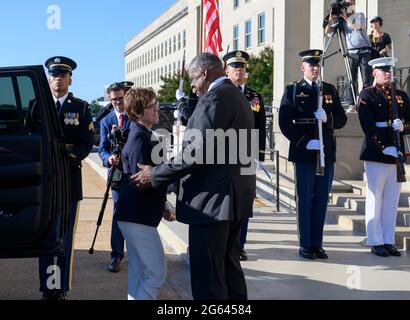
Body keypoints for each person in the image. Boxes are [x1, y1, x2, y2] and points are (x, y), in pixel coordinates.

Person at [131, 53, 256, 300]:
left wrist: (154, 174)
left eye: (193, 79)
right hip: (233, 199)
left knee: (209, 276)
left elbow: (195, 153)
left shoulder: (215, 98)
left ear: (205, 74)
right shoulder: (237, 96)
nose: (192, 87)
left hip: (212, 202)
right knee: (229, 270)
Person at [279, 49, 347, 260]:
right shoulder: (293, 91)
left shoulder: (329, 90)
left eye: (317, 65)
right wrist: (305, 142)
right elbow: (284, 122)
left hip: (326, 153)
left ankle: (317, 243)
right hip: (305, 154)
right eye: (311, 65)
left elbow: (342, 119)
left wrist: (328, 119)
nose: (315, 68)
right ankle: (305, 244)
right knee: (305, 200)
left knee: (320, 200)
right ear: (303, 68)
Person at [39, 56, 94, 300]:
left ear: (70, 79)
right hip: (45, 184)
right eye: (54, 74)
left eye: (63, 74)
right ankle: (46, 288)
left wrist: (64, 156)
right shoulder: (37, 105)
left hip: (69, 181)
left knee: (65, 237)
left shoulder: (81, 108)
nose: (58, 79)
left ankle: (59, 289)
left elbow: (86, 143)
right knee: (45, 236)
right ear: (48, 78)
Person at [114, 88, 175, 300]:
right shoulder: (141, 139)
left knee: (139, 273)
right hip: (138, 217)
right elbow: (142, 180)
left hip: (132, 215)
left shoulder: (141, 134)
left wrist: (164, 204)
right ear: (139, 112)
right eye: (152, 106)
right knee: (157, 274)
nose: (157, 108)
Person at [357, 57, 410, 257]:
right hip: (376, 153)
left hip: (396, 152)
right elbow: (368, 126)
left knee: (391, 200)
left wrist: (403, 126)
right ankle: (375, 240)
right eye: (382, 70)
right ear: (374, 73)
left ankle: (389, 239)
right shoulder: (368, 95)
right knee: (375, 197)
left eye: (389, 70)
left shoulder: (402, 95)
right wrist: (383, 147)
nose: (387, 73)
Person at [223, 50, 267, 261]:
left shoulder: (255, 96)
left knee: (245, 202)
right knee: (227, 201)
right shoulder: (221, 93)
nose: (239, 70)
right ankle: (226, 244)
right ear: (226, 70)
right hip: (226, 155)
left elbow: (260, 127)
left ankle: (239, 245)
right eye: (234, 67)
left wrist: (259, 155)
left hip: (247, 156)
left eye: (242, 67)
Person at [98, 82, 131, 273]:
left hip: (134, 172)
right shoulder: (105, 120)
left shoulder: (134, 117)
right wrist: (108, 158)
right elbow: (102, 148)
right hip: (117, 174)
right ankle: (116, 256)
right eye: (114, 99)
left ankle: (136, 255)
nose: (118, 102)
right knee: (118, 214)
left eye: (120, 98)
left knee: (136, 214)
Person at [324, 0, 373, 107]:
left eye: (350, 4)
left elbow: (358, 26)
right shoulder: (341, 21)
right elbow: (328, 32)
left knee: (366, 79)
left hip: (364, 51)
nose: (349, 6)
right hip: (351, 52)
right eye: (346, 5)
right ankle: (352, 103)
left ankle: (367, 102)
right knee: (351, 79)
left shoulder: (359, 15)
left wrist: (345, 17)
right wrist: (331, 19)